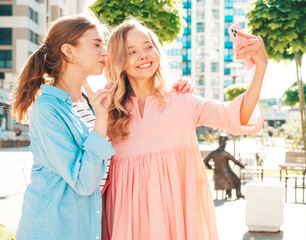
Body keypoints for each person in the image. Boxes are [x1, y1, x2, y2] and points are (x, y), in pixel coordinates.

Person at [11, 14, 193, 240]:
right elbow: (84, 182)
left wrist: (173, 90)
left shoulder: (89, 102)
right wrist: (99, 120)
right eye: (96, 44)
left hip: (85, 228)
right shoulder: (48, 109)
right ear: (69, 51)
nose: (105, 52)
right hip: (53, 229)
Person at [102, 18, 267, 240]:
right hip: (126, 225)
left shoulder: (183, 101)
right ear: (119, 60)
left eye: (148, 46)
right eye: (131, 51)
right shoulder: (109, 112)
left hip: (177, 224)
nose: (143, 54)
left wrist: (260, 69)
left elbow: (234, 117)